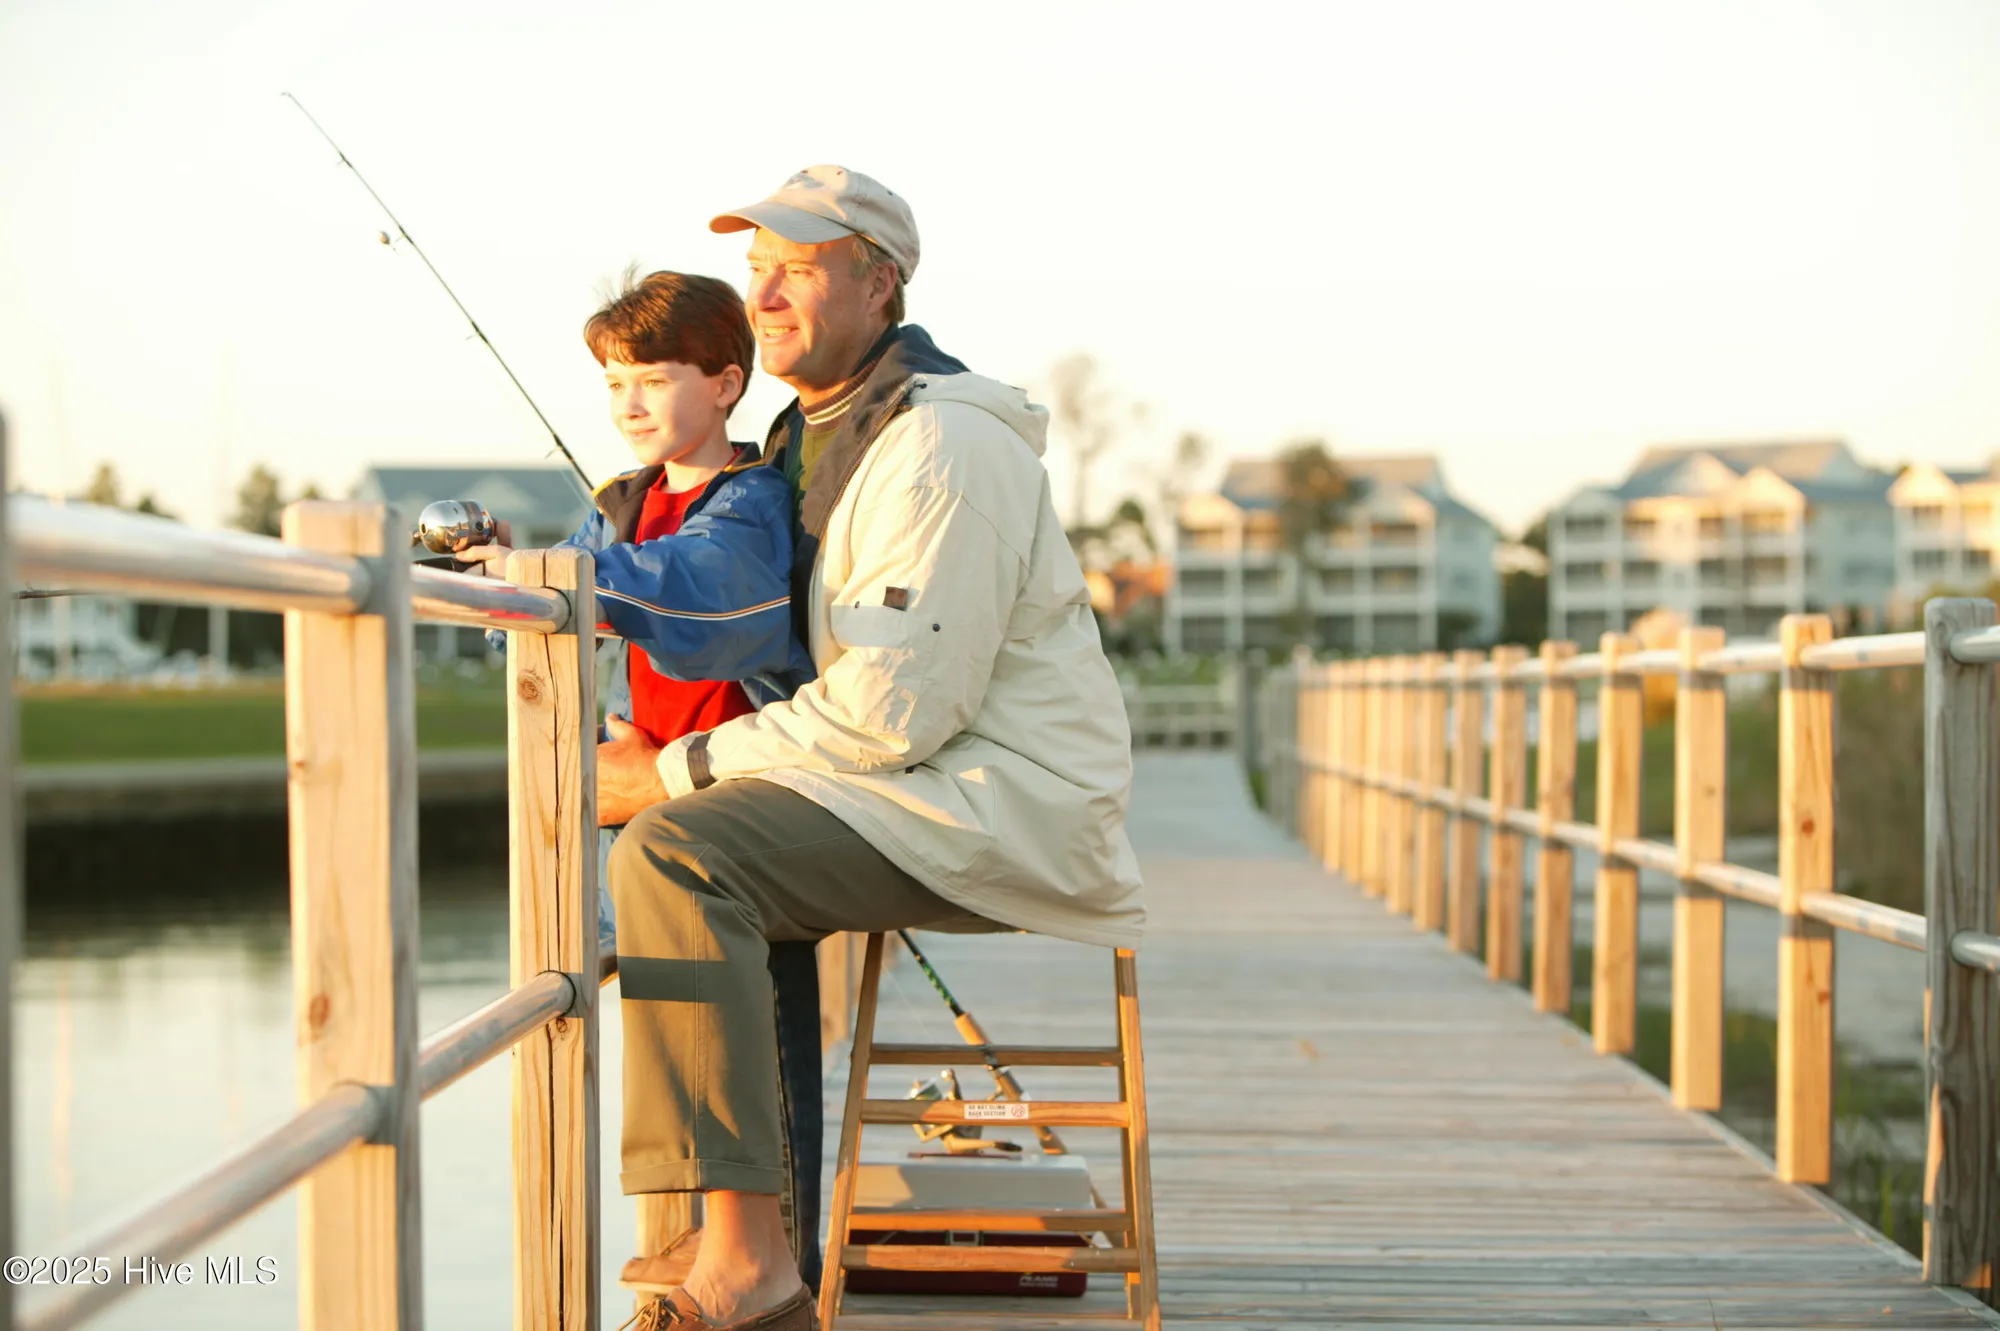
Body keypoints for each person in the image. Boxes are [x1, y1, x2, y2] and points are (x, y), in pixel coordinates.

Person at [600, 166, 1144, 1331]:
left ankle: (748, 1262)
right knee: (715, 850)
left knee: (682, 852)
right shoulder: (809, 433)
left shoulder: (939, 442)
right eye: (757, 271)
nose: (766, 293)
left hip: (988, 795)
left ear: (878, 281)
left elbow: (897, 708)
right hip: (902, 782)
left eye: (797, 267)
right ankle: (763, 1230)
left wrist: (670, 771)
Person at [454, 270, 825, 1293]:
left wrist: (569, 579)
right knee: (674, 1008)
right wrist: (495, 581)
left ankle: (784, 1245)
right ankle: (711, 1229)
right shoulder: (617, 507)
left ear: (724, 382)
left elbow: (708, 599)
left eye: (653, 378)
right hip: (649, 798)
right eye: (614, 381)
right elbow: (558, 618)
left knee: (757, 1020)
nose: (627, 402)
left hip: (738, 799)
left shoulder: (746, 500)